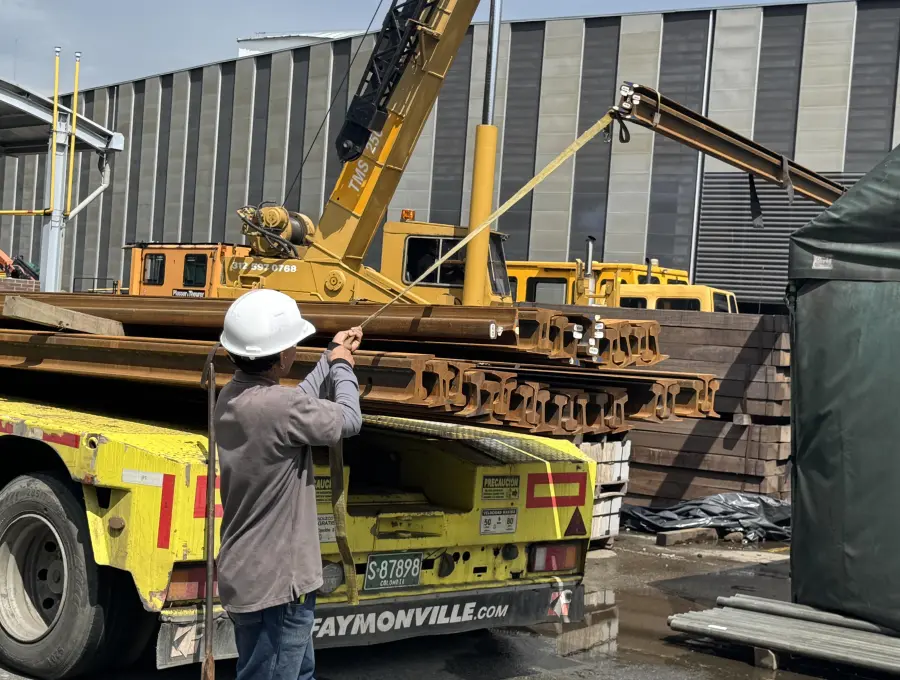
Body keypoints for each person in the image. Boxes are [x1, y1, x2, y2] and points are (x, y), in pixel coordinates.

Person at [214, 288, 363, 680]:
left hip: (249, 578)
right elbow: (348, 419)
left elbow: (294, 404)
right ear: (281, 357)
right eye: (294, 345)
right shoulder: (279, 408)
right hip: (281, 587)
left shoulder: (232, 397)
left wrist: (328, 356)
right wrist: (344, 366)